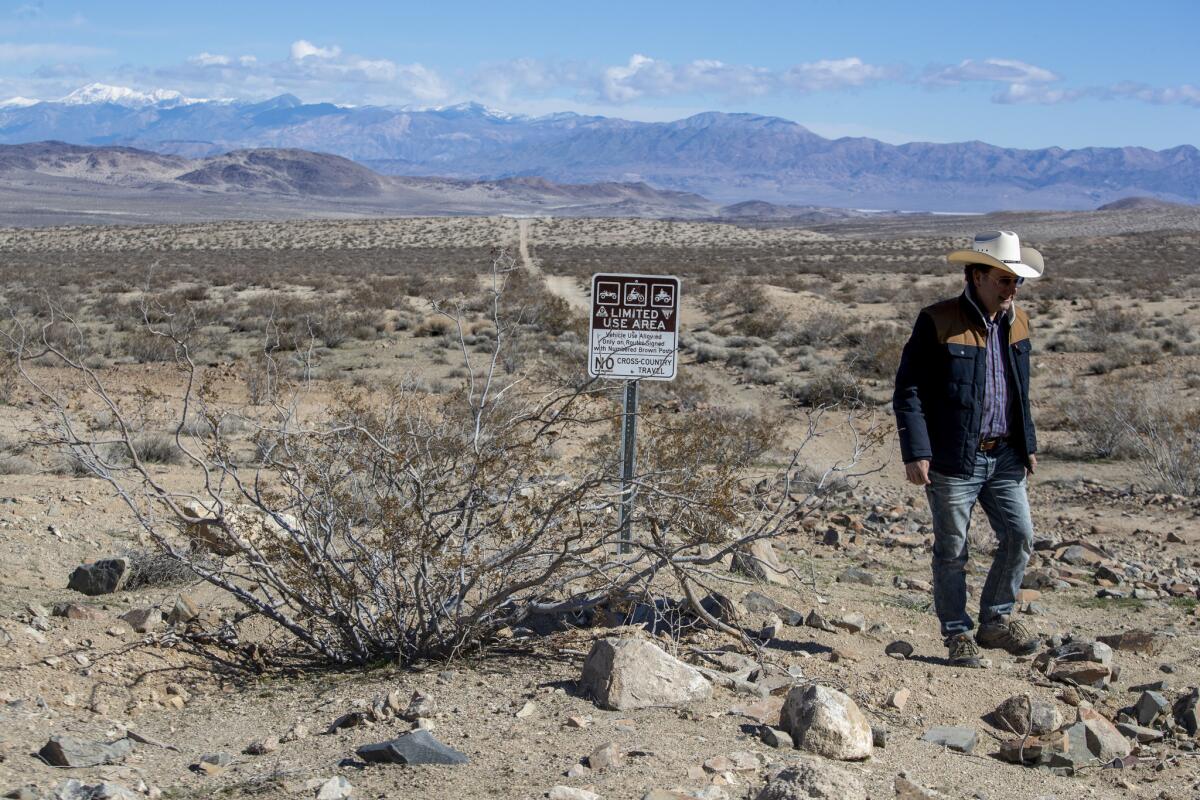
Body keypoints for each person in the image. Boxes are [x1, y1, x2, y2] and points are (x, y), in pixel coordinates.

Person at [893, 231, 1044, 668]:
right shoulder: (938, 320)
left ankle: (996, 621)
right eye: (1003, 278)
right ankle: (957, 633)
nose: (1011, 288)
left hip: (1006, 455)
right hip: (954, 457)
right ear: (976, 276)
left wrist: (1027, 442)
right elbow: (909, 389)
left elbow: (1020, 390)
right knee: (952, 549)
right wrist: (915, 451)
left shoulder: (1018, 321)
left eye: (1016, 280)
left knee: (1020, 536)